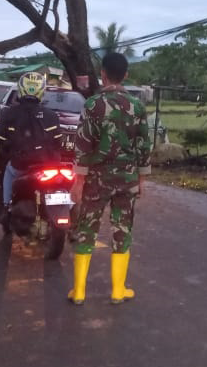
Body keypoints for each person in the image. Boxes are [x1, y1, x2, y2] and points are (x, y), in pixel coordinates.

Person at [68, 52, 152, 305]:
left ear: (102, 74)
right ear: (125, 75)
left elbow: (82, 145)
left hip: (96, 180)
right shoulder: (137, 106)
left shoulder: (92, 105)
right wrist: (142, 179)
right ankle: (118, 290)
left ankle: (79, 292)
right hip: (127, 179)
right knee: (122, 230)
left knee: (86, 230)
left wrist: (78, 181)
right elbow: (143, 145)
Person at [0, 72, 61, 222]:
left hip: (20, 165)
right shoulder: (51, 115)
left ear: (21, 89)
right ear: (41, 91)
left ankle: (6, 206)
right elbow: (58, 142)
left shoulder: (8, 113)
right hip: (47, 166)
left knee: (8, 171)